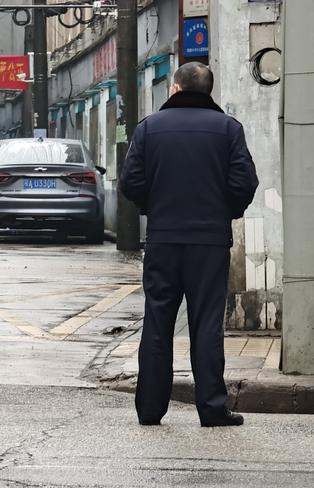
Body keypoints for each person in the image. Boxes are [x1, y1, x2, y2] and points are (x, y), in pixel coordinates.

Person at [120, 62, 258, 427]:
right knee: (207, 323)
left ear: (176, 89)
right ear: (207, 91)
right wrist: (224, 211)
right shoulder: (228, 129)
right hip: (210, 242)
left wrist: (153, 208)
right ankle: (212, 408)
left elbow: (130, 182)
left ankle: (150, 409)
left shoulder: (149, 129)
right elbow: (244, 183)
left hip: (163, 239)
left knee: (158, 321)